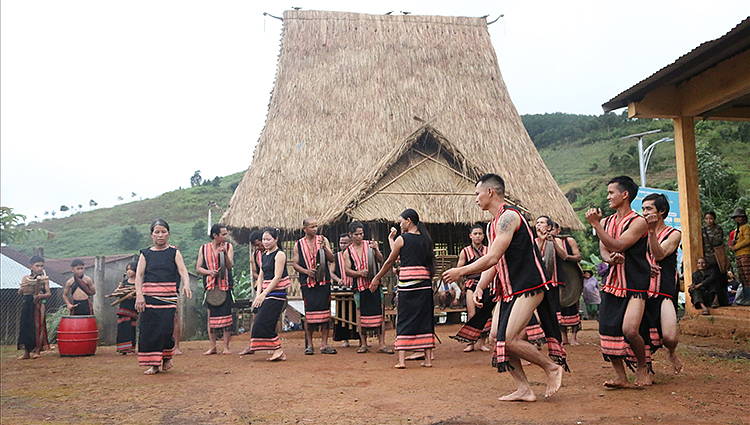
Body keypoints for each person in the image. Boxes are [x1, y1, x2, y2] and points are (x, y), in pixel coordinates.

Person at [443, 173, 566, 401]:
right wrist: (480, 286)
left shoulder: (509, 217)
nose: (476, 199)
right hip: (509, 290)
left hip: (529, 286)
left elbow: (492, 258)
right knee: (495, 338)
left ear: (490, 192)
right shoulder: (493, 224)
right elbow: (495, 260)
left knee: (509, 339)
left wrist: (461, 271)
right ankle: (524, 389)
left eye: (478, 194)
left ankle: (551, 368)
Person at [586, 175, 653, 388]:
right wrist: (610, 259)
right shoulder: (606, 222)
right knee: (606, 328)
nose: (607, 197)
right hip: (612, 284)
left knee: (630, 330)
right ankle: (621, 377)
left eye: (611, 193)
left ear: (625, 195)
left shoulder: (639, 222)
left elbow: (617, 244)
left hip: (634, 284)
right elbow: (606, 251)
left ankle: (643, 366)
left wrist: (596, 225)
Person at [372, 209, 436, 368]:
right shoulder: (426, 240)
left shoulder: (403, 239)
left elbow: (390, 261)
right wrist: (391, 239)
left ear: (409, 221)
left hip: (408, 286)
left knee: (404, 318)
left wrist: (377, 277)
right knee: (425, 319)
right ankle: (427, 360)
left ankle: (401, 360)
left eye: (401, 221)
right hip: (424, 284)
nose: (400, 224)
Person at [135, 219, 193, 375]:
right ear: (151, 234)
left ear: (168, 234)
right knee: (149, 330)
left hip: (168, 298)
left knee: (165, 329)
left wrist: (186, 284)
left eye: (163, 232)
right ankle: (154, 364)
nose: (160, 235)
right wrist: (139, 295)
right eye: (157, 232)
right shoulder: (145, 253)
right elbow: (139, 276)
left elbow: (183, 271)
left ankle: (167, 357)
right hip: (149, 298)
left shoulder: (174, 252)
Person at [642, 193, 683, 374]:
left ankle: (671, 352)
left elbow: (659, 255)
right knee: (639, 333)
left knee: (669, 336)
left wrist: (651, 231)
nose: (644, 213)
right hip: (641, 290)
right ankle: (646, 369)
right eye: (643, 209)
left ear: (662, 211)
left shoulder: (674, 234)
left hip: (664, 290)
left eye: (649, 209)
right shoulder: (638, 234)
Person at [344, 221, 393, 354]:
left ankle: (382, 344)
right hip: (359, 287)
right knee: (360, 315)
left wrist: (376, 249)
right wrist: (359, 273)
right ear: (350, 235)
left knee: (380, 313)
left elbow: (381, 260)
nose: (359, 237)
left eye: (361, 234)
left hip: (375, 285)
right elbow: (347, 270)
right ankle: (364, 344)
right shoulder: (347, 252)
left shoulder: (370, 245)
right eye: (356, 234)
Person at [292, 218, 337, 355]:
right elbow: (295, 264)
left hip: (323, 281)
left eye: (316, 226)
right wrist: (306, 272)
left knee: (325, 313)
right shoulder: (298, 244)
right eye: (312, 227)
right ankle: (310, 345)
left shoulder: (323, 240)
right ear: (304, 229)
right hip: (308, 283)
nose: (315, 229)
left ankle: (324, 344)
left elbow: (332, 259)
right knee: (309, 314)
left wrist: (324, 248)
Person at [248, 227, 289, 361]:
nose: (265, 242)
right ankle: (278, 350)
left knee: (263, 322)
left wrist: (264, 293)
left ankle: (278, 349)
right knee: (264, 322)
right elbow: (260, 277)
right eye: (263, 239)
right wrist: (258, 295)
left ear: (276, 239)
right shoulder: (264, 255)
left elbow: (277, 277)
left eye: (268, 239)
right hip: (266, 293)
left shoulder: (279, 254)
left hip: (276, 293)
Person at [196, 223, 235, 355]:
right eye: (223, 234)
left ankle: (226, 347)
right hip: (211, 287)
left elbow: (230, 266)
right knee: (210, 317)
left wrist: (224, 254)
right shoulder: (203, 248)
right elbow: (198, 268)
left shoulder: (229, 246)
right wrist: (209, 272)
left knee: (227, 317)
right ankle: (213, 346)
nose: (225, 237)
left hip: (225, 286)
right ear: (215, 235)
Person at [454, 224, 490, 352]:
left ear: (483, 236)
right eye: (475, 234)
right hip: (471, 284)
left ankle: (482, 343)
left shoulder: (488, 250)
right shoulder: (465, 252)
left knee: (485, 314)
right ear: (470, 236)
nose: (478, 236)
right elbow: (459, 269)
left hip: (486, 283)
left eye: (480, 234)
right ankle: (470, 342)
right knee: (472, 314)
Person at [551, 224, 583, 346]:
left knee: (572, 306)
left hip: (571, 277)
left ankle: (574, 337)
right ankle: (564, 338)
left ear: (558, 230)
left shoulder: (569, 241)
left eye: (554, 229)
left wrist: (566, 257)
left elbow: (578, 257)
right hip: (555, 278)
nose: (552, 231)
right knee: (560, 307)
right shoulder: (545, 242)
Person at [17, 255, 51, 359]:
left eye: (42, 266)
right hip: (27, 303)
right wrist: (25, 288)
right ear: (31, 266)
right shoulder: (26, 278)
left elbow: (48, 293)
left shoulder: (44, 279)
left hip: (39, 304)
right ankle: (26, 352)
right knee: (26, 326)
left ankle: (37, 351)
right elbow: (20, 292)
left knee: (38, 326)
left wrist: (41, 296)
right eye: (37, 266)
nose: (40, 268)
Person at [239, 230, 265, 356]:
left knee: (272, 317)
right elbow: (254, 272)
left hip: (273, 288)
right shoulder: (255, 255)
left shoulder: (276, 253)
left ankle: (270, 345)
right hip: (260, 288)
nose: (258, 247)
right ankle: (253, 344)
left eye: (259, 244)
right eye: (255, 245)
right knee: (255, 316)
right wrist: (261, 278)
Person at [331, 233, 359, 347]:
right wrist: (338, 280)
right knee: (342, 315)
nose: (343, 245)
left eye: (345, 243)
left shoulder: (355, 254)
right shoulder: (336, 256)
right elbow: (331, 272)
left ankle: (360, 339)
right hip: (341, 289)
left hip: (354, 287)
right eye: (341, 243)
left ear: (350, 243)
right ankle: (345, 340)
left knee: (356, 313)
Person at [116, 261, 139, 354]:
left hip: (132, 307)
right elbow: (117, 293)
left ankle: (131, 348)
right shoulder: (124, 282)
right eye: (127, 269)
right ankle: (122, 349)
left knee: (131, 326)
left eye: (131, 269)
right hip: (123, 306)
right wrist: (119, 288)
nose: (129, 271)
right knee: (122, 326)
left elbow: (141, 295)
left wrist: (133, 297)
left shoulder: (139, 282)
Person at [729, 208, 750, 295]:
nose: (737, 219)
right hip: (739, 255)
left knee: (748, 275)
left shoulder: (746, 228)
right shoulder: (737, 230)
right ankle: (746, 296)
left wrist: (735, 247)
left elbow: (747, 240)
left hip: (746, 253)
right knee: (743, 277)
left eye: (739, 217)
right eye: (736, 218)